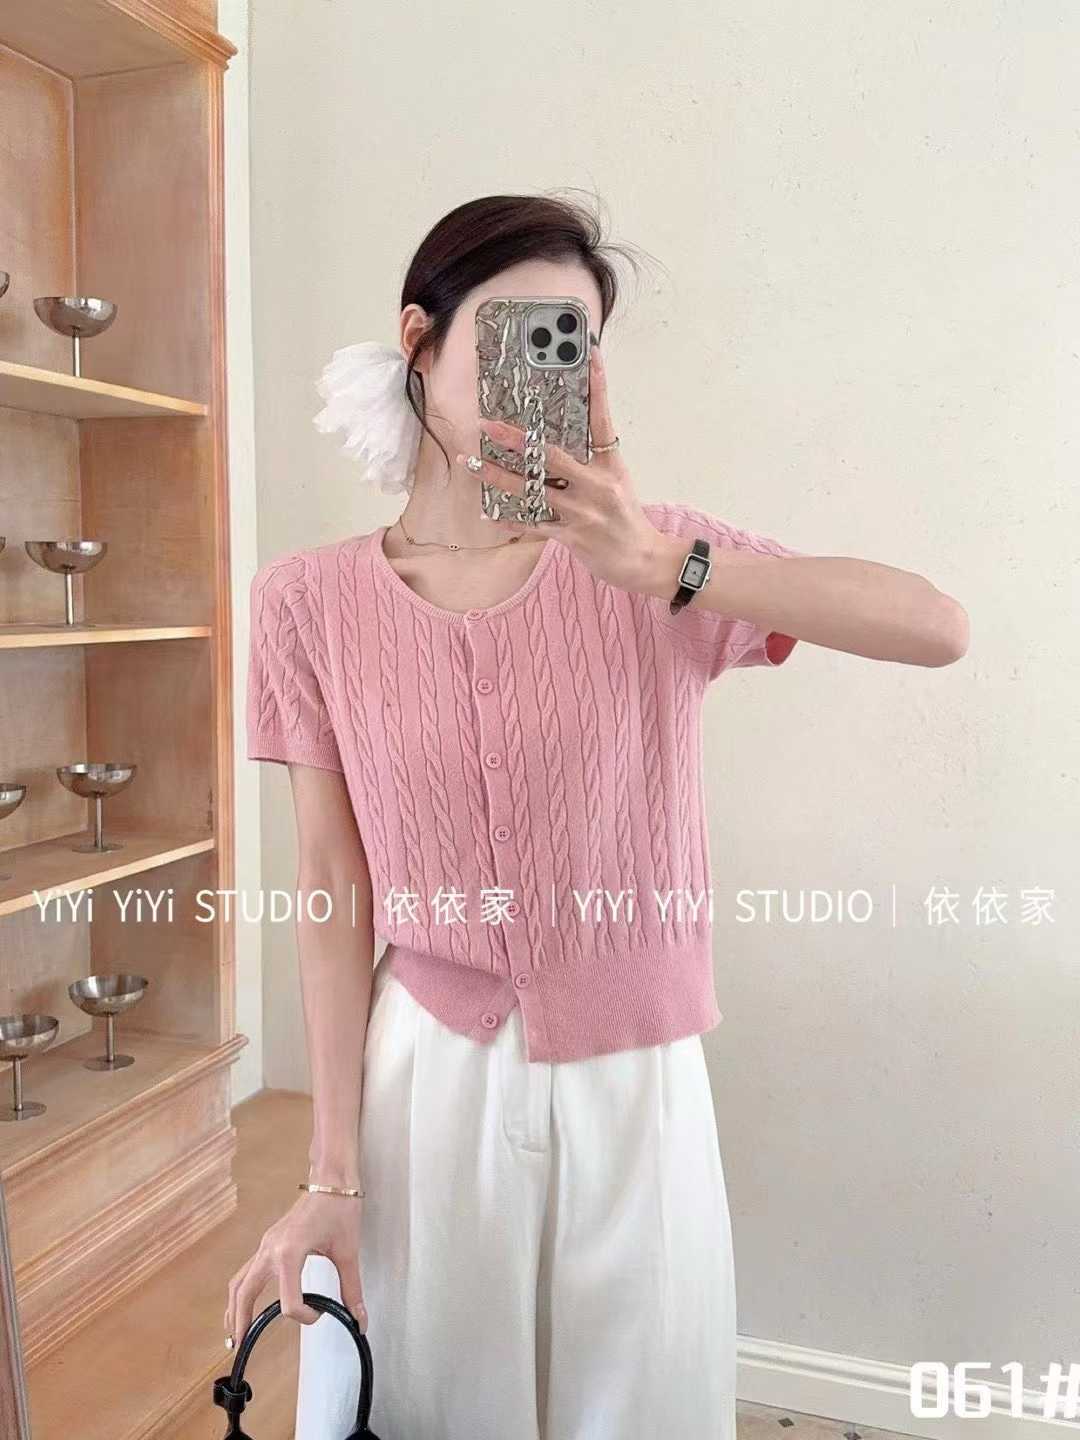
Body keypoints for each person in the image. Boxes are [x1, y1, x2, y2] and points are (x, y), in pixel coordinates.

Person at [227, 192, 969, 1440]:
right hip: (431, 1075)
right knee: (434, 1400)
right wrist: (330, 1176)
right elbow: (328, 890)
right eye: (516, 330)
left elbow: (937, 627)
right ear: (418, 339)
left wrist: (669, 566)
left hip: (638, 1077)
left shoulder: (651, 560)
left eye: (570, 342)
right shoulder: (306, 602)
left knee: (640, 1404)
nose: (544, 368)